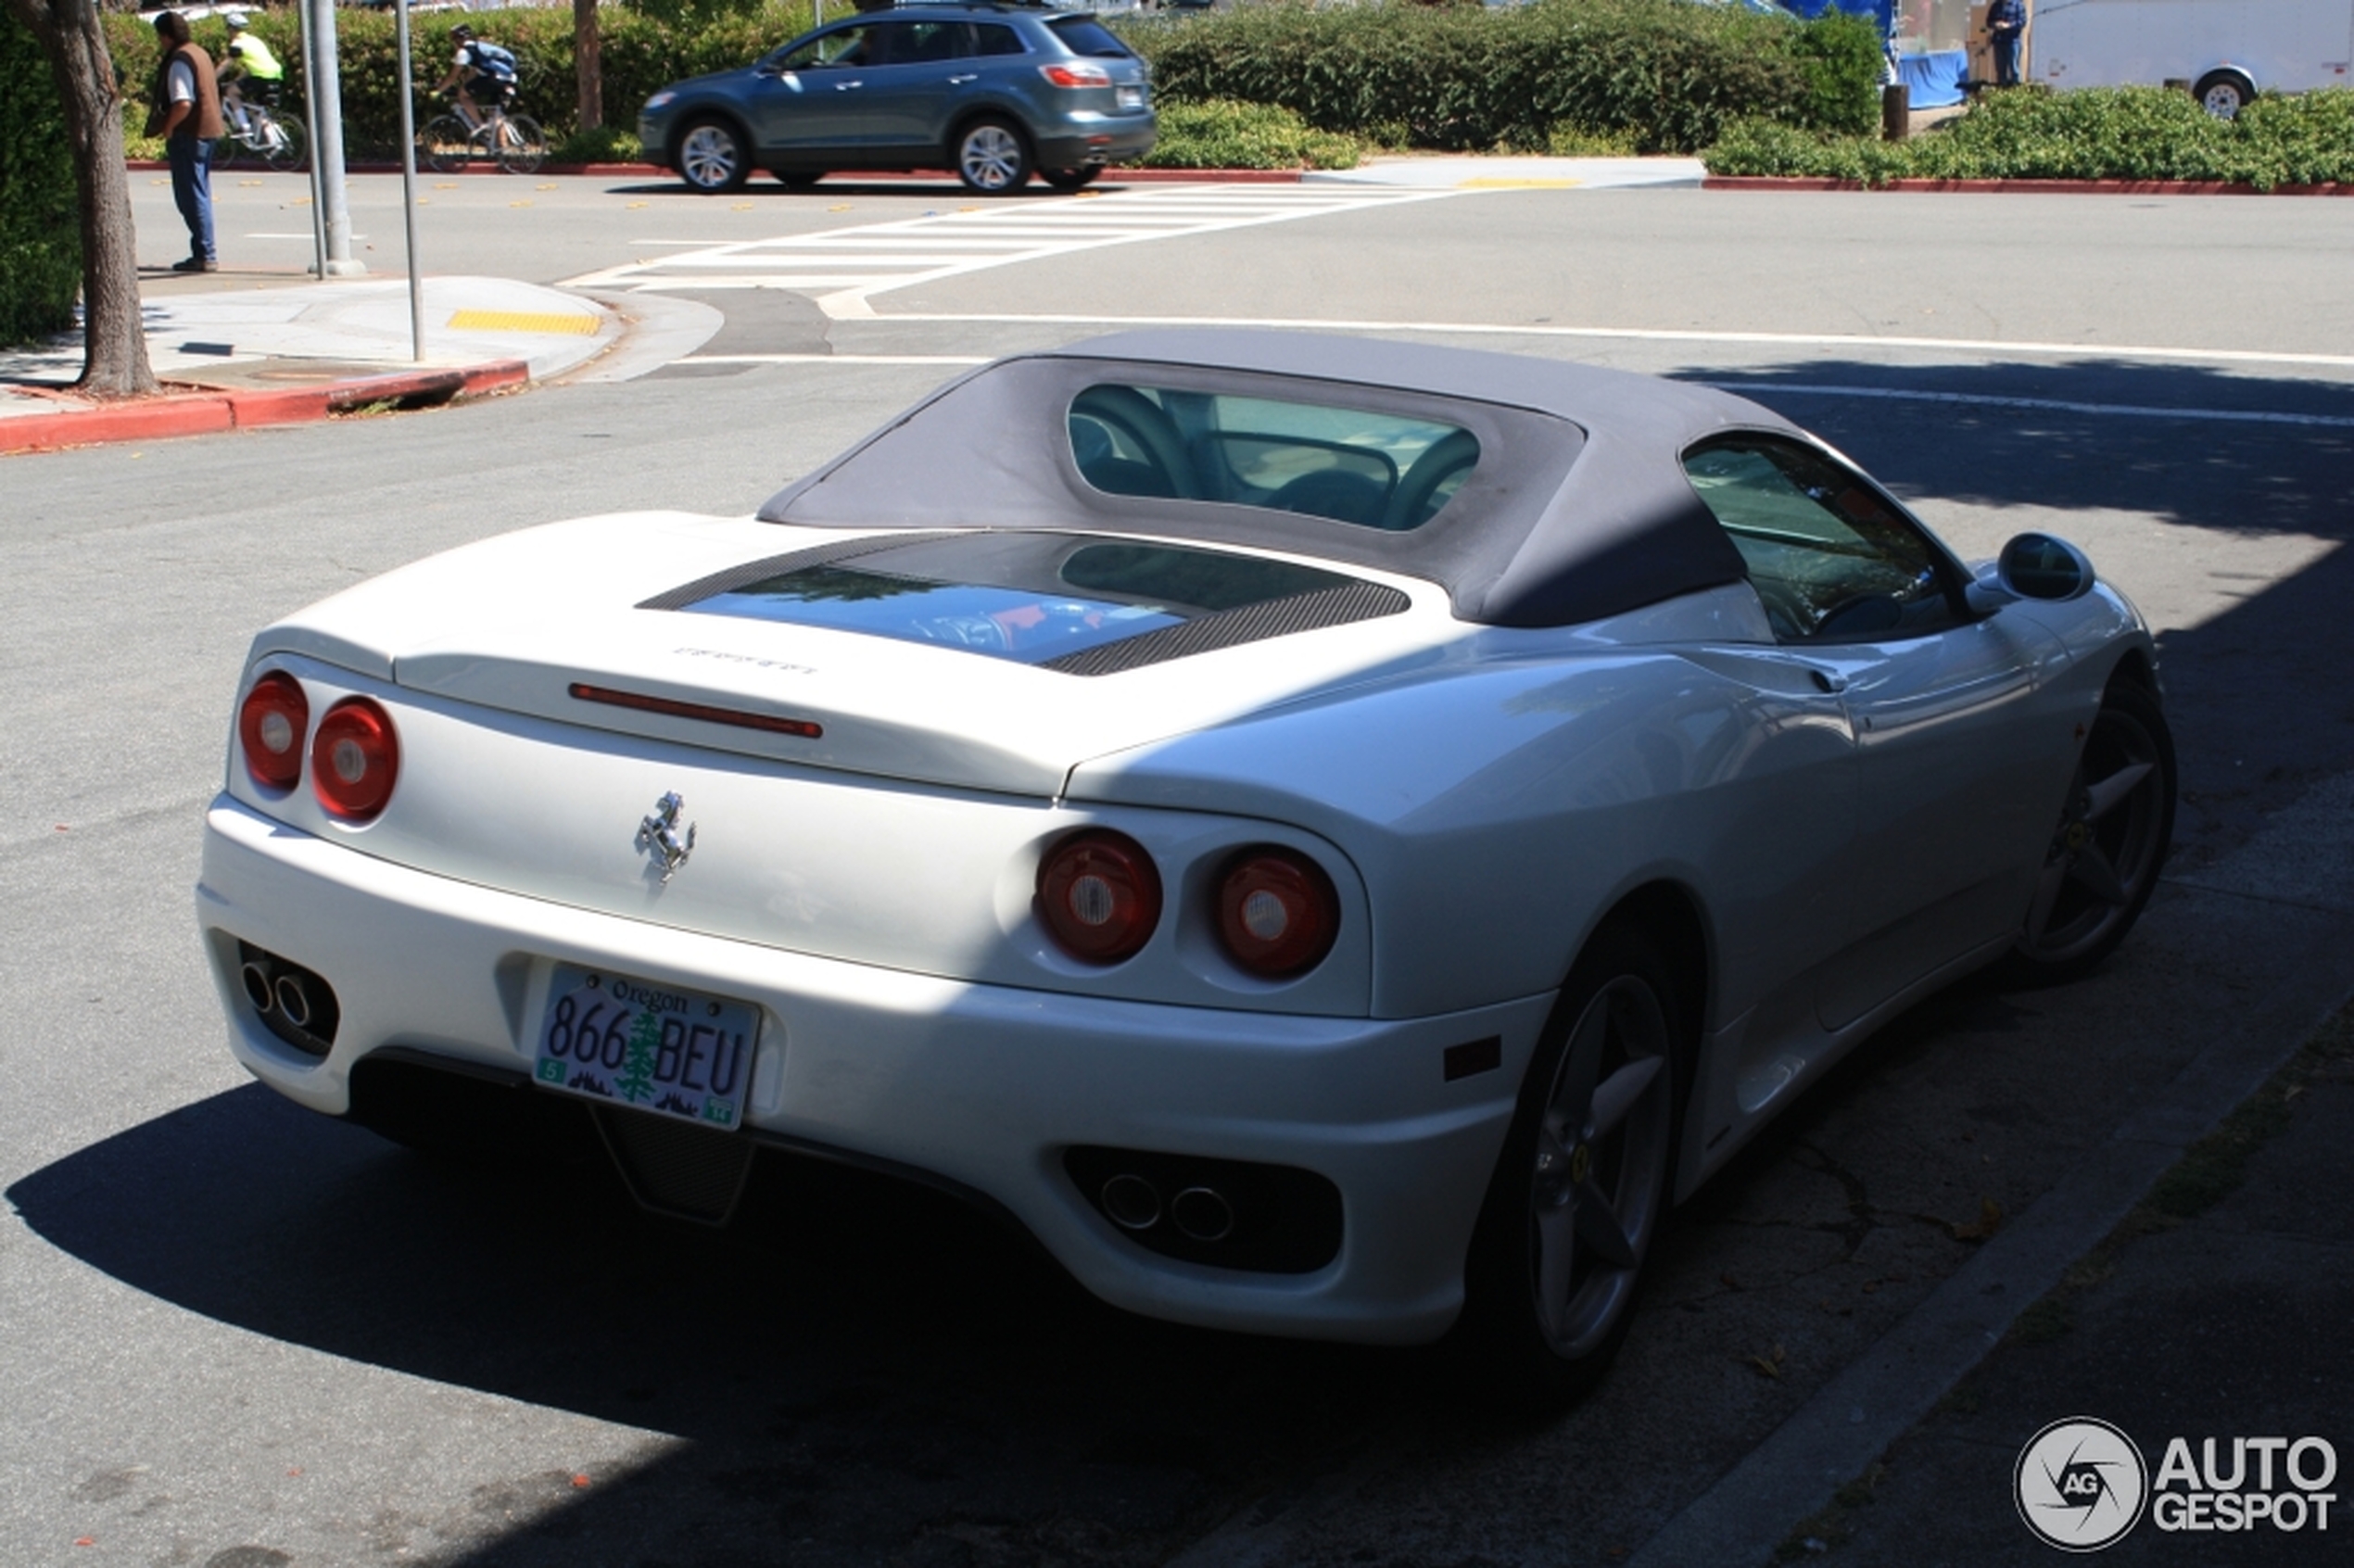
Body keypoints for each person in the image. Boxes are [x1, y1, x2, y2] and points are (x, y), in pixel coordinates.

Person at [147, 10, 223, 272]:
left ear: (166, 36)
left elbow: (182, 102)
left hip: (189, 134)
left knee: (190, 196)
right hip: (208, 130)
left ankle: (205, 253)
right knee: (199, 191)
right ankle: (205, 250)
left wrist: (168, 127)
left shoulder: (179, 60)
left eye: (160, 37)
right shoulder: (199, 53)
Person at [216, 11, 285, 139]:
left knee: (231, 92)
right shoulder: (255, 40)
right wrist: (236, 80)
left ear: (231, 29)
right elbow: (251, 68)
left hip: (261, 77)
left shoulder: (238, 43)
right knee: (257, 111)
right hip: (275, 76)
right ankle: (275, 142)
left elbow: (226, 64)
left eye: (228, 29)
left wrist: (211, 78)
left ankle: (244, 127)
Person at [435, 23, 519, 128]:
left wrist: (437, 91)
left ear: (457, 40)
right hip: (508, 78)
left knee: (463, 95)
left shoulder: (463, 53)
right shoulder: (479, 48)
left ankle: (480, 126)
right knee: (495, 116)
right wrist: (464, 85)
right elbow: (473, 73)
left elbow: (452, 77)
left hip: (494, 78)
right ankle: (501, 144)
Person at [1987, 0, 2027, 89]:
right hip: (1998, 41)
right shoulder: (1996, 5)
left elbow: (2022, 22)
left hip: (2012, 41)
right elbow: (1989, 22)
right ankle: (2002, 90)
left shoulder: (2018, 5)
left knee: (2014, 68)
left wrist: (2008, 25)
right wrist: (1995, 24)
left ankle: (2016, 91)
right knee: (2000, 69)